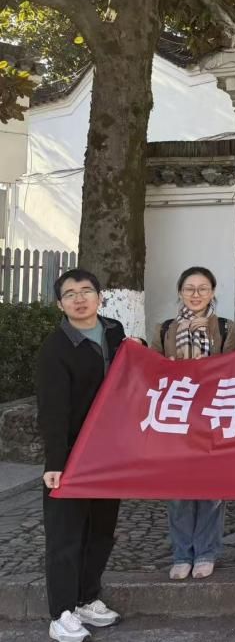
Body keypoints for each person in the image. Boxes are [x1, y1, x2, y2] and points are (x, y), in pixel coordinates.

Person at [36, 269, 126, 642]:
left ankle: (87, 598)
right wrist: (55, 463)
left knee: (100, 531)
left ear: (99, 297)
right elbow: (52, 412)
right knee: (66, 536)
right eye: (70, 294)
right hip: (73, 453)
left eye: (86, 290)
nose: (79, 298)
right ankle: (61, 614)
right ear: (60, 304)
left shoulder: (114, 331)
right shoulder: (55, 349)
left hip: (110, 451)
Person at [151, 266, 235, 581]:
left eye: (203, 288)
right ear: (180, 292)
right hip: (177, 418)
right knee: (178, 490)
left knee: (211, 489)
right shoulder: (165, 329)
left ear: (213, 292)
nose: (196, 294)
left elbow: (232, 369)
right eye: (189, 288)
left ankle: (206, 552)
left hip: (213, 416)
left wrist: (208, 360)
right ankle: (181, 553)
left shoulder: (226, 328)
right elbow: (154, 370)